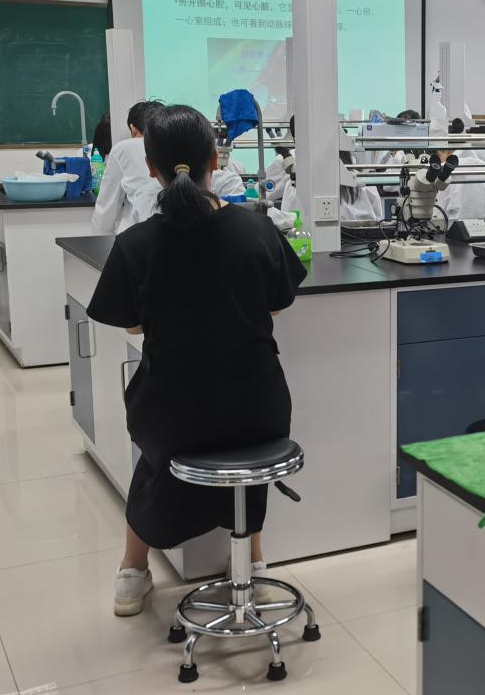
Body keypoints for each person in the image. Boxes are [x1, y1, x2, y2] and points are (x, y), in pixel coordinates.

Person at [86, 104, 306, 616]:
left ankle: (131, 572)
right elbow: (276, 303)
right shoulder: (258, 230)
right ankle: (252, 563)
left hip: (172, 413)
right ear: (214, 160)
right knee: (247, 461)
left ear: (150, 167)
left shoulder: (136, 244)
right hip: (259, 408)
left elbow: (131, 325)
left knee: (154, 465)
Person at [91, 101, 163, 234]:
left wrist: (98, 240)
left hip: (136, 235)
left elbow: (106, 209)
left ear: (133, 128)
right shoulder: (177, 146)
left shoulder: (123, 148)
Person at [436, 127, 485, 220]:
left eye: (438, 155)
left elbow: (436, 213)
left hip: (454, 227)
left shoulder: (444, 171)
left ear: (446, 150)